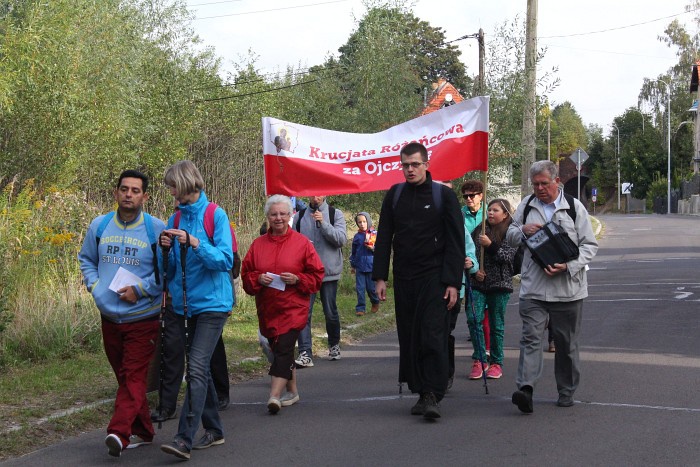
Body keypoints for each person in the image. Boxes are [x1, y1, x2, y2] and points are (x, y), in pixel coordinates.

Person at [373, 142, 465, 419]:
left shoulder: (443, 196)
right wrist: (380, 277)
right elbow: (384, 237)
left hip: (435, 277)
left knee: (432, 333)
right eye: (405, 165)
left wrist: (452, 282)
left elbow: (456, 242)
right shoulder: (395, 195)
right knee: (410, 335)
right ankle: (420, 388)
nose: (410, 169)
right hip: (404, 277)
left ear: (426, 164)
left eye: (415, 164)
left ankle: (432, 394)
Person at [78, 170, 165, 457]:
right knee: (124, 376)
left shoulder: (156, 229)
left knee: (134, 376)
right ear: (116, 193)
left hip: (143, 317)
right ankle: (144, 430)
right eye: (124, 189)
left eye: (135, 190)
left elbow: (166, 273)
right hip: (110, 318)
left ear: (145, 197)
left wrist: (139, 291)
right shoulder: (100, 226)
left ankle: (118, 432)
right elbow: (87, 259)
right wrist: (95, 286)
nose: (129, 194)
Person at [506, 160, 598, 413]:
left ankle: (566, 391)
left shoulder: (573, 208)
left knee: (566, 345)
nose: (539, 189)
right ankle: (526, 389)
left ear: (556, 181)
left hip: (568, 289)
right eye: (535, 184)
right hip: (533, 288)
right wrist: (523, 229)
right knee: (530, 339)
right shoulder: (526, 205)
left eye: (544, 183)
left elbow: (590, 246)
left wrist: (568, 266)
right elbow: (510, 235)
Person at [158, 160, 234, 460]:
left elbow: (225, 260)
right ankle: (214, 430)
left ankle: (182, 440)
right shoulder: (173, 217)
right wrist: (165, 249)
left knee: (197, 368)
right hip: (184, 306)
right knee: (199, 368)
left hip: (213, 304)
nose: (171, 192)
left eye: (172, 186)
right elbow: (172, 270)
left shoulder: (215, 214)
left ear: (187, 183)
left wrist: (195, 242)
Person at [242, 195, 324, 414]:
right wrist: (258, 278)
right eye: (274, 214)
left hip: (293, 307)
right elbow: (247, 274)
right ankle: (293, 391)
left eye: (282, 214)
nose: (278, 218)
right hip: (268, 309)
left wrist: (298, 279)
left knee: (284, 348)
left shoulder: (302, 243)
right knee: (279, 348)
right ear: (268, 217)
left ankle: (274, 396)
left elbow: (317, 275)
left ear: (290, 216)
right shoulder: (258, 244)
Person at [293, 195, 347, 366]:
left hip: (328, 272)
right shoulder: (299, 217)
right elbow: (292, 242)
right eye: (312, 193)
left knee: (330, 312)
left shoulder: (334, 214)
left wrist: (323, 223)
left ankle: (334, 345)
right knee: (304, 313)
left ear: (325, 194)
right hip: (307, 274)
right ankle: (305, 352)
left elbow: (341, 240)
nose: (315, 197)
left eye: (319, 193)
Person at [468, 199, 517, 381]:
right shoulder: (479, 230)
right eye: (489, 209)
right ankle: (479, 359)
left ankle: (497, 362)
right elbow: (469, 252)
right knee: (474, 319)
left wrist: (490, 245)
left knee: (497, 325)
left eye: (495, 210)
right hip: (479, 284)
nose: (490, 213)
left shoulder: (510, 231)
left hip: (500, 285)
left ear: (505, 214)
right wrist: (474, 270)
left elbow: (507, 257)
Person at [460, 179, 490, 351]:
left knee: (487, 308)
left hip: (488, 263)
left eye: (472, 196)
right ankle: (478, 343)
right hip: (469, 265)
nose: (469, 199)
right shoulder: (460, 214)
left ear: (481, 196)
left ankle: (487, 348)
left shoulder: (489, 212)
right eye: (465, 196)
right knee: (472, 307)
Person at [349, 212, 380, 316]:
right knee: (360, 288)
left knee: (371, 288)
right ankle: (360, 308)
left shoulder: (374, 234)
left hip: (371, 266)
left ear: (368, 221)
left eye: (364, 221)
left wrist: (372, 248)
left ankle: (375, 302)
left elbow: (380, 251)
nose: (362, 224)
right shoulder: (357, 237)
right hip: (360, 267)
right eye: (359, 222)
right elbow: (353, 252)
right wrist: (353, 265)